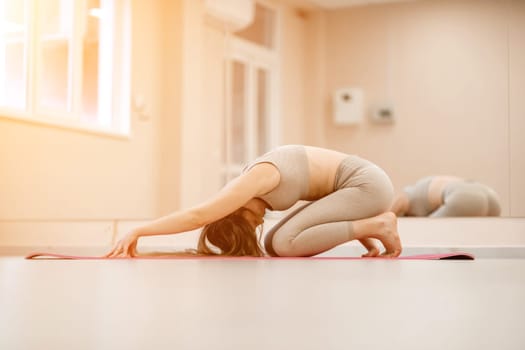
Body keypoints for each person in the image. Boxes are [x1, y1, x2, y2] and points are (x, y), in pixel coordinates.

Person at [106, 145, 402, 258]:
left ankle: (380, 224)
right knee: (275, 242)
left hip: (368, 185)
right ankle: (376, 225)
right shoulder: (257, 185)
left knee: (283, 244)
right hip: (362, 190)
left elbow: (197, 216)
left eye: (249, 222)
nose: (259, 222)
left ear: (234, 210)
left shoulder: (254, 180)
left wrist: (139, 231)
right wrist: (366, 235)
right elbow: (329, 202)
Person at [391, 175, 501, 217]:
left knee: (427, 231)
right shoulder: (420, 191)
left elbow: (400, 202)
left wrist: (389, 216)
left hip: (463, 196)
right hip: (490, 195)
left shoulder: (409, 195)